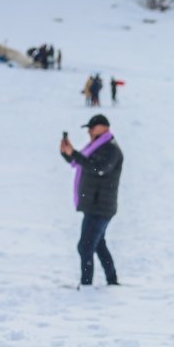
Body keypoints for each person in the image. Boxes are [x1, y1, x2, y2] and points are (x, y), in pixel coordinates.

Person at [60, 114, 124, 287]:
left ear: (104, 127)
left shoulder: (111, 149)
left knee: (85, 246)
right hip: (95, 205)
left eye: (92, 127)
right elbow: (84, 162)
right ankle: (112, 280)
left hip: (101, 207)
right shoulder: (97, 147)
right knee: (98, 244)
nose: (89, 131)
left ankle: (86, 285)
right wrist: (67, 153)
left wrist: (74, 154)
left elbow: (98, 168)